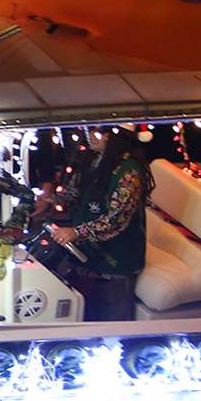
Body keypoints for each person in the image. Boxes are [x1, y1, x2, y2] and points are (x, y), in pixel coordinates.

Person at [43, 129, 153, 321]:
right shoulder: (95, 161)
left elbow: (115, 221)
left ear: (116, 138)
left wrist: (76, 232)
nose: (91, 135)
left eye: (99, 132)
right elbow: (74, 192)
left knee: (111, 321)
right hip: (88, 254)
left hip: (116, 259)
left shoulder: (130, 173)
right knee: (85, 311)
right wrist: (49, 200)